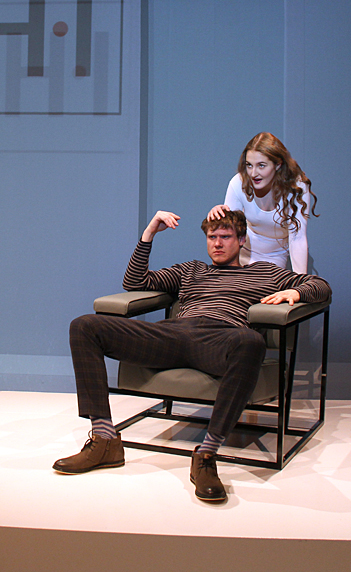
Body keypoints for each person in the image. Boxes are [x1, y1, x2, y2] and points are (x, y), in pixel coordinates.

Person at [54, 209, 331, 503]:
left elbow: (321, 286)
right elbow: (135, 282)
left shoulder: (264, 273)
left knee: (251, 341)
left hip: (220, 338)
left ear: (242, 240)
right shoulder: (192, 270)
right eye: (212, 237)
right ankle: (104, 441)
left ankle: (206, 455)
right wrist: (149, 233)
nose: (217, 243)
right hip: (173, 336)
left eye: (225, 237)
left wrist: (296, 294)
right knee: (85, 326)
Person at [207, 132, 318, 273]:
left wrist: (301, 282)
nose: (253, 173)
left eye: (261, 165)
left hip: (275, 257)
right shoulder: (238, 183)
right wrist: (219, 213)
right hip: (241, 255)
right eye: (249, 165)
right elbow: (230, 232)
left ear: (278, 165)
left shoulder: (296, 187)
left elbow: (298, 238)